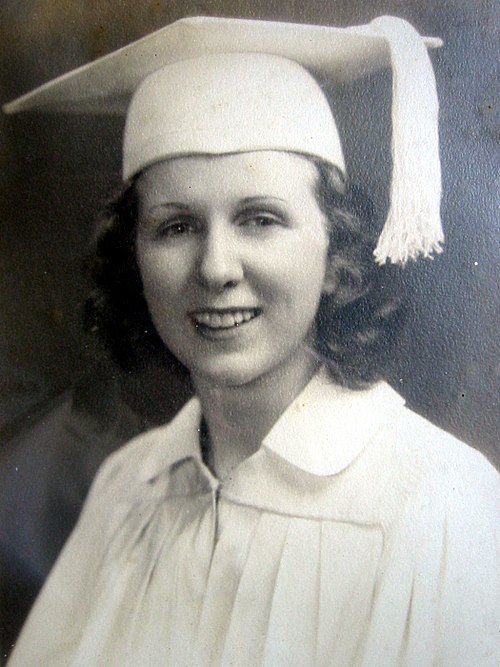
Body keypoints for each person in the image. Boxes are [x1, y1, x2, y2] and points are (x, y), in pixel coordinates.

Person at [4, 15, 499, 667]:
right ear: (135, 257)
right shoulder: (129, 485)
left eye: (260, 219)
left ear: (334, 246)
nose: (215, 268)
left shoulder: (441, 501)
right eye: (175, 226)